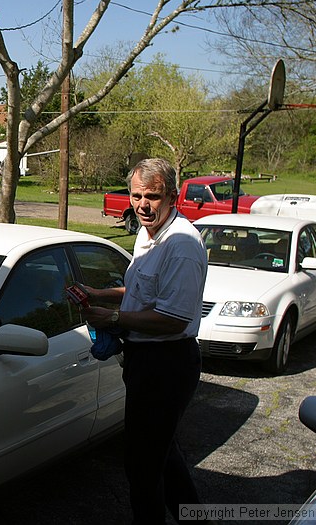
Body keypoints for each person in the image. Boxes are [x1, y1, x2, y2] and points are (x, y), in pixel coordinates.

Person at [82, 158, 208, 524]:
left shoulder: (181, 245)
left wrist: (114, 318)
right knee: (163, 456)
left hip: (167, 364)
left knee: (142, 467)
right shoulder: (145, 232)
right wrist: (100, 293)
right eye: (136, 195)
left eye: (152, 196)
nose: (142, 204)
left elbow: (173, 319)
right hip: (144, 360)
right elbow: (141, 291)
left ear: (172, 196)